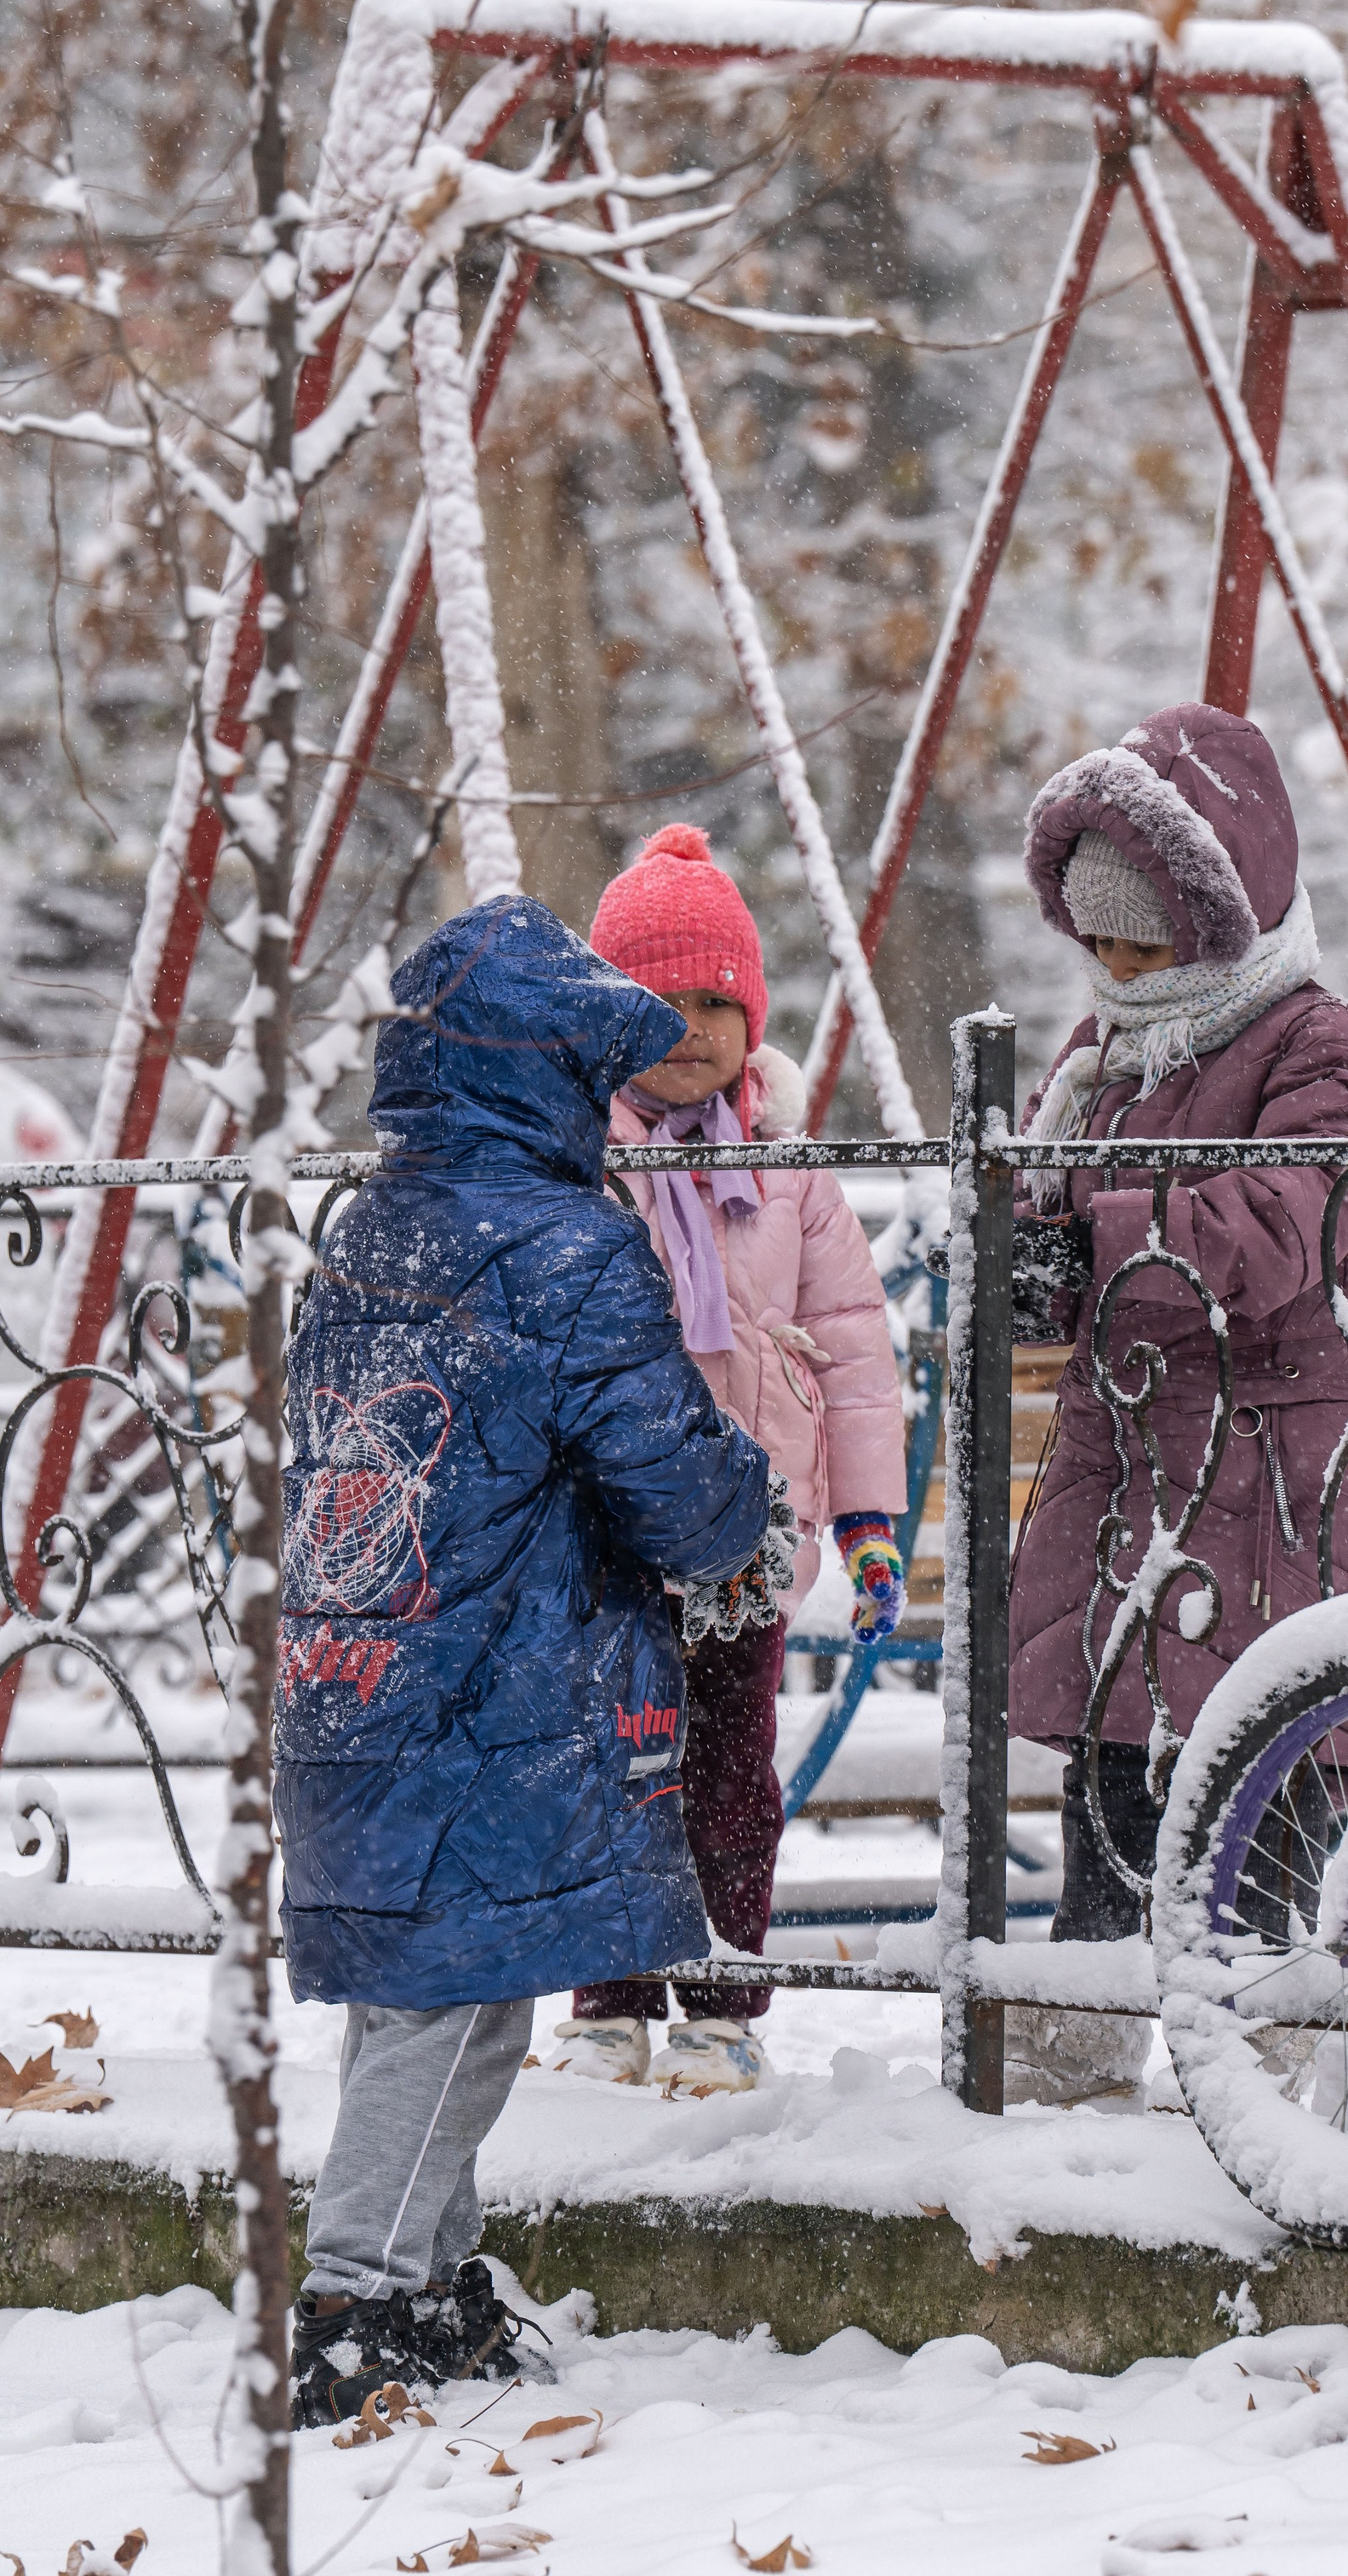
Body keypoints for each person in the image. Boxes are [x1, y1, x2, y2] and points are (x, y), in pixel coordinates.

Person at [278, 894, 779, 2429]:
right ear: (542, 1081)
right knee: (446, 2014)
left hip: (362, 1677)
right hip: (496, 1690)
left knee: (444, 1997)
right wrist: (745, 1499)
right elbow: (672, 1476)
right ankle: (355, 2297)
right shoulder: (566, 1249)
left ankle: (431, 2273)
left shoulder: (367, 1230)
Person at [1006, 704, 1348, 2106]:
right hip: (1138, 1479)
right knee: (1117, 1773)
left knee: (1270, 1772)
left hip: (1270, 1476)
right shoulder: (1098, 1063)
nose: (1116, 970)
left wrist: (1101, 1241)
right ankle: (1073, 2067)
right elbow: (1059, 1215)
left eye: (1143, 943)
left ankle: (1278, 2080)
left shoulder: (1318, 1046)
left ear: (1219, 924)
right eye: (1097, 943)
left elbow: (1290, 1220)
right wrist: (1029, 1257)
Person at [547, 825, 909, 2093]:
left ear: (754, 1019)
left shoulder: (788, 1175)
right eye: (660, 1004)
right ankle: (607, 1998)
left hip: (750, 1534)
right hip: (609, 1533)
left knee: (726, 1771)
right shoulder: (577, 1162)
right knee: (613, 1761)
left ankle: (722, 1999)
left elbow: (858, 1354)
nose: (694, 1029)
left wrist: (865, 1515)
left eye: (719, 1003)